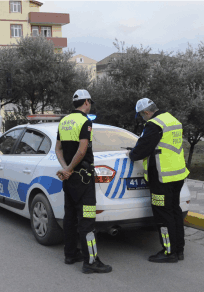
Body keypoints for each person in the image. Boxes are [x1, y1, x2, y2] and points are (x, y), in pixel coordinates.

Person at [55, 89, 112, 274]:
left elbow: (58, 149)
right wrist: (70, 169)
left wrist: (65, 169)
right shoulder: (86, 122)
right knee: (87, 220)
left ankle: (70, 254)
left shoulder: (63, 122)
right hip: (83, 179)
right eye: (90, 103)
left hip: (69, 180)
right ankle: (91, 261)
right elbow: (82, 151)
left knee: (70, 218)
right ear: (86, 102)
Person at [127, 98, 189, 263]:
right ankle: (178, 250)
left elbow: (142, 148)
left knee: (162, 215)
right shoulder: (172, 119)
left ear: (147, 112)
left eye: (142, 115)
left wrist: (131, 154)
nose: (142, 119)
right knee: (175, 212)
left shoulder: (154, 124)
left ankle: (169, 252)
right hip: (177, 175)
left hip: (162, 177)